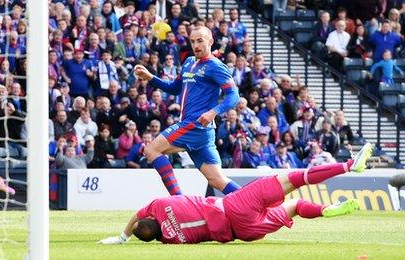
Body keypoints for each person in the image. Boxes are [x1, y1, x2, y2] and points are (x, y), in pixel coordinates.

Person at [98, 143, 374, 245]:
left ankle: (325, 210)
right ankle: (350, 165)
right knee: (294, 178)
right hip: (233, 206)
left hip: (241, 232)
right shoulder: (158, 206)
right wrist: (123, 236)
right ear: (153, 217)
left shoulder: (171, 241)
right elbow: (139, 215)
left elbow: (145, 226)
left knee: (295, 205)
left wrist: (129, 240)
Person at [133, 26, 241, 196]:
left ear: (210, 41)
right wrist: (150, 78)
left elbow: (234, 95)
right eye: (192, 41)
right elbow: (175, 88)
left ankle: (179, 202)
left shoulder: (215, 66)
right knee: (216, 180)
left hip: (195, 125)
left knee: (151, 150)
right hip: (200, 130)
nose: (195, 45)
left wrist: (214, 112)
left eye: (200, 41)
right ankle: (253, 203)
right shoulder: (189, 62)